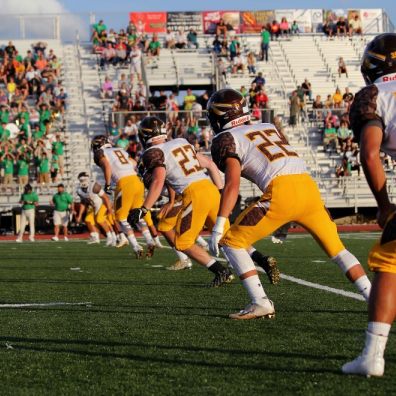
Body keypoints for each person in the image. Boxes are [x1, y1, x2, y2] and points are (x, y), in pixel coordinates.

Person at [207, 88, 371, 319]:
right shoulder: (268, 127)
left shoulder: (225, 138)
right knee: (338, 250)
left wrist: (219, 223)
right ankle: (372, 296)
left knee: (231, 242)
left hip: (281, 192)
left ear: (218, 115)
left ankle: (260, 302)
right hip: (308, 188)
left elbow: (232, 183)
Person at [130, 117, 279, 285]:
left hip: (194, 194)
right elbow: (210, 164)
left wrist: (144, 208)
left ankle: (220, 270)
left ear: (144, 136)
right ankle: (262, 259)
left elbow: (158, 180)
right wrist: (222, 191)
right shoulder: (181, 142)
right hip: (211, 189)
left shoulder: (153, 153)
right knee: (227, 236)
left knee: (183, 242)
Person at [342, 33, 396, 377]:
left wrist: (384, 205)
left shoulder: (377, 95)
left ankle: (372, 356)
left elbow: (370, 151)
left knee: (389, 267)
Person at [91, 135, 155, 258]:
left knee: (121, 218)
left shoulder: (100, 153)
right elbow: (135, 163)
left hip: (124, 183)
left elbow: (107, 166)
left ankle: (136, 247)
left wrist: (108, 184)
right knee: (137, 214)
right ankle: (149, 240)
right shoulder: (119, 150)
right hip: (137, 181)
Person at [75, 172, 116, 246]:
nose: (83, 182)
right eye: (81, 180)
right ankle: (95, 237)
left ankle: (111, 236)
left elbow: (105, 197)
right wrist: (80, 215)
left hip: (102, 204)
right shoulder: (79, 191)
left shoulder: (94, 186)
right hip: (93, 206)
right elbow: (83, 203)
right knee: (88, 220)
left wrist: (109, 208)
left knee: (100, 220)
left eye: (84, 179)